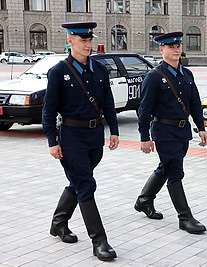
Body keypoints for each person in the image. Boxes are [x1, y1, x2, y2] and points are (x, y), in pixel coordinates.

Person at [42, 21, 119, 261]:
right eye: (82, 40)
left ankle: (59, 223)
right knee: (86, 184)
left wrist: (114, 131)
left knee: (78, 181)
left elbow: (107, 103)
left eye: (89, 40)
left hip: (94, 138)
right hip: (71, 137)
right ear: (70, 41)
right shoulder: (58, 71)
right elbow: (48, 110)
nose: (88, 45)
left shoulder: (100, 70)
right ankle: (100, 241)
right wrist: (52, 141)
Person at [135, 32, 207, 234]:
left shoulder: (187, 74)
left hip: (183, 131)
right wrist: (144, 138)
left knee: (166, 167)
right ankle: (185, 218)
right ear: (161, 50)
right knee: (175, 172)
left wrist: (201, 127)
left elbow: (195, 103)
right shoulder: (154, 77)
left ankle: (144, 200)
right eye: (170, 46)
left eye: (178, 46)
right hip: (164, 131)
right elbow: (144, 109)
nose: (176, 50)